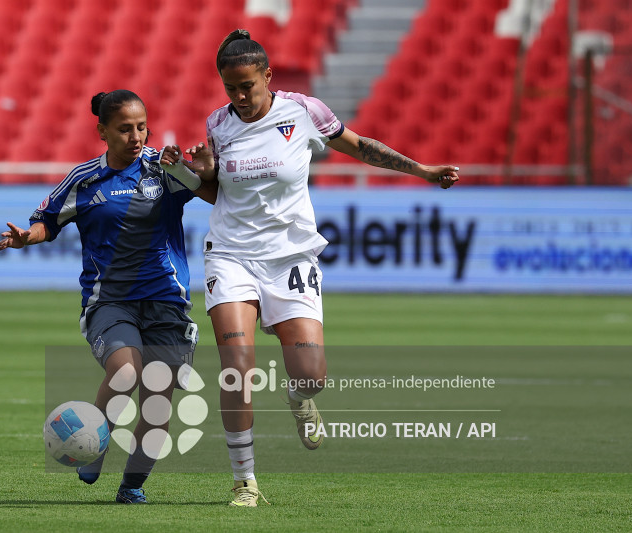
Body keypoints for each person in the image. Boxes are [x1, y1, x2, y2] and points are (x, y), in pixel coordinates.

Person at [175, 29, 459, 507]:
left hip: (290, 257)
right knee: (237, 367)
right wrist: (189, 172)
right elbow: (217, 192)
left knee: (311, 374)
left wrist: (423, 170)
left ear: (268, 76)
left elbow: (361, 146)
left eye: (248, 85)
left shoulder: (304, 112)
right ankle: (245, 481)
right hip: (230, 254)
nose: (240, 97)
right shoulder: (218, 124)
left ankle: (299, 395)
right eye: (231, 88)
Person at [0, 89, 216, 504]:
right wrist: (27, 238)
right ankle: (95, 443)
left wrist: (200, 169)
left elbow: (211, 191)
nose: (137, 136)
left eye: (142, 127)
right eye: (125, 129)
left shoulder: (162, 169)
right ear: (102, 132)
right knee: (126, 373)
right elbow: (47, 222)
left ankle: (132, 486)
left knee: (156, 402)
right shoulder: (85, 179)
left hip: (167, 302)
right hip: (109, 302)